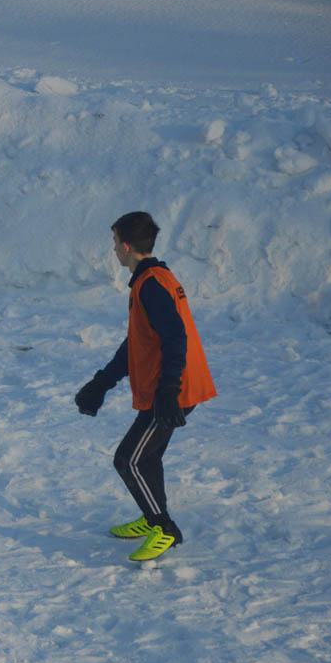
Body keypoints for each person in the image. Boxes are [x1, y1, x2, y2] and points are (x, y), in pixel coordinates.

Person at [73, 213, 217, 561]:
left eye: (114, 245)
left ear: (125, 246)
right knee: (146, 456)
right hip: (172, 385)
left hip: (173, 389)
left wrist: (169, 388)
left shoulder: (151, 284)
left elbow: (174, 336)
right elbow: (138, 343)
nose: (113, 252)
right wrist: (103, 382)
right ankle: (151, 517)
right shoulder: (152, 279)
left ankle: (163, 527)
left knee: (129, 460)